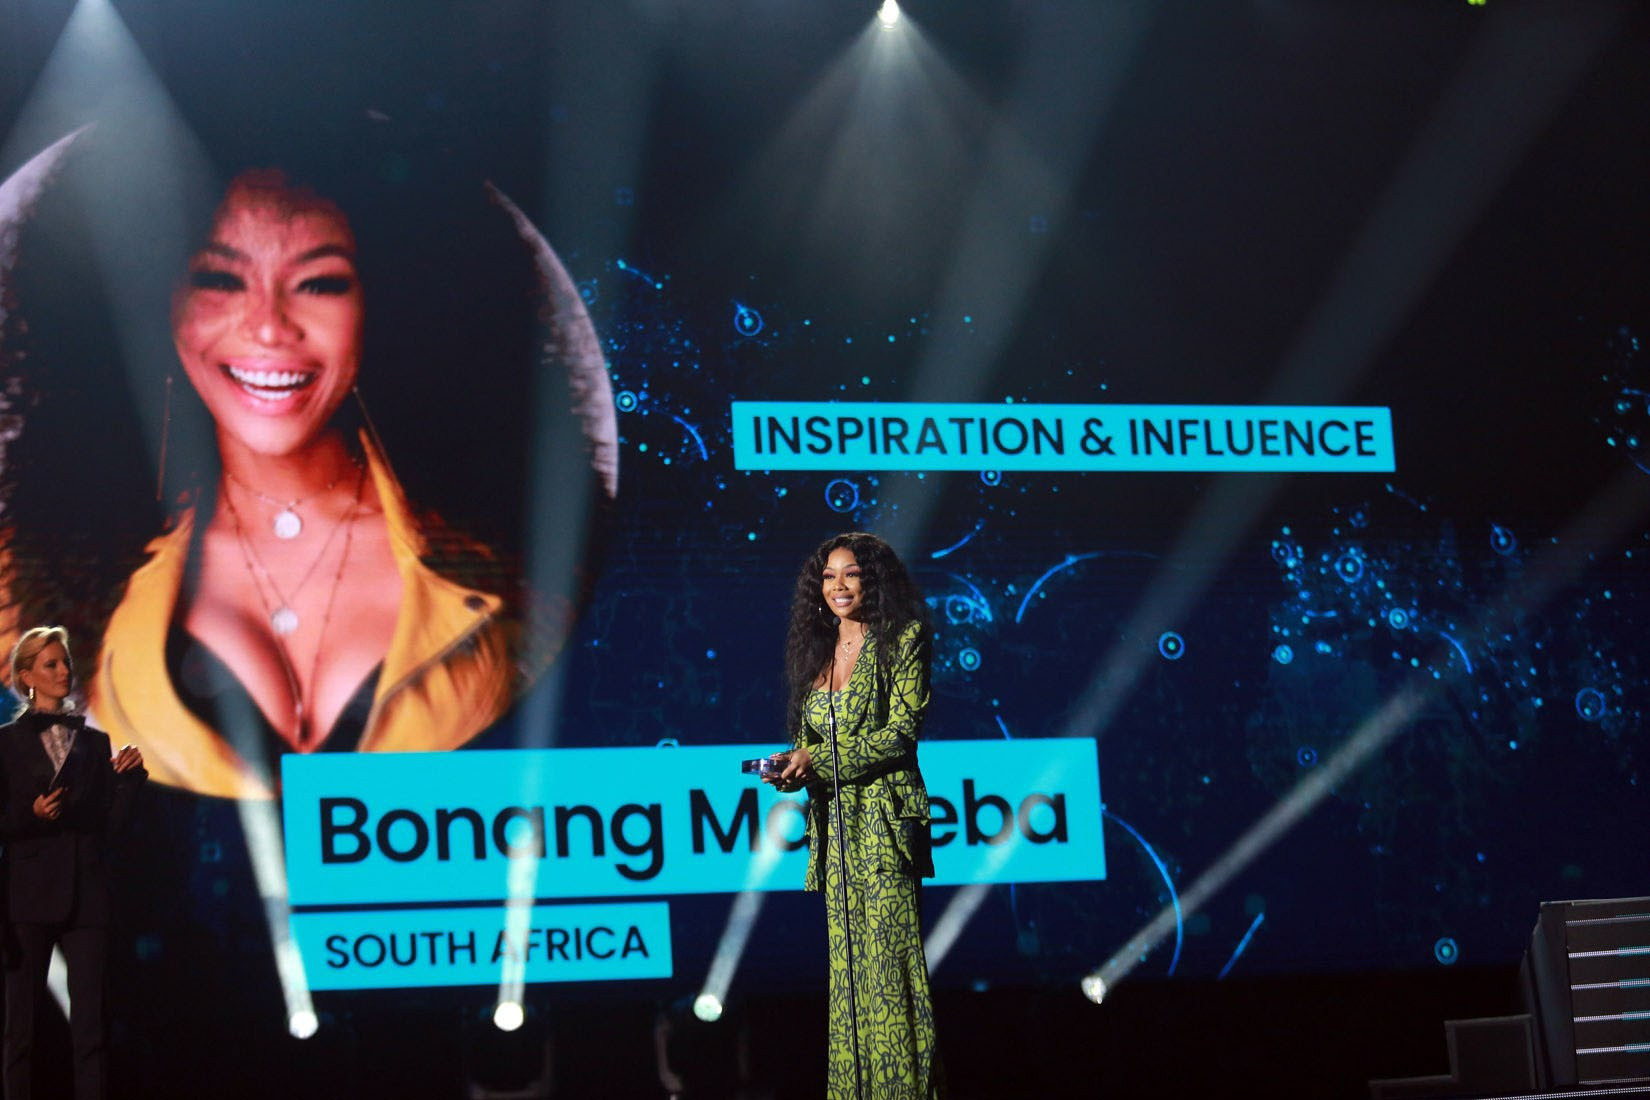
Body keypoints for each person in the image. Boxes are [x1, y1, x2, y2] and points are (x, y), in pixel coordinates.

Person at [55, 164, 617, 799]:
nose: (269, 327)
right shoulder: (71, 580)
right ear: (164, 308)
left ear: (374, 305)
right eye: (219, 279)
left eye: (319, 283)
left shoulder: (519, 559)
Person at [766, 532, 945, 1099]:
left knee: (890, 976)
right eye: (828, 577)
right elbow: (810, 743)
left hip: (885, 824)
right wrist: (791, 768)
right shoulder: (816, 653)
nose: (838, 586)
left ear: (874, 579)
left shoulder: (903, 640)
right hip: (836, 831)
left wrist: (816, 758)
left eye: (851, 574)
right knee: (848, 982)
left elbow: (900, 736)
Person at [0, 625, 147, 1100]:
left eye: (65, 662)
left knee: (90, 1027)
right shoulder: (5, 743)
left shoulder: (91, 743)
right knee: (19, 1028)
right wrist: (30, 814)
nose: (64, 672)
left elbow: (109, 829)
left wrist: (127, 781)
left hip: (86, 897)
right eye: (51, 665)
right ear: (27, 677)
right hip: (27, 895)